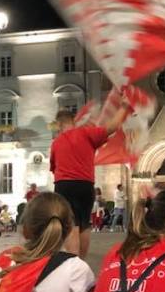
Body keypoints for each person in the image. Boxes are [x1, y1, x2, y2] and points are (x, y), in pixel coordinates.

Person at [50, 103, 129, 258]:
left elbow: (54, 168)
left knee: (71, 223)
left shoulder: (56, 143)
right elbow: (111, 128)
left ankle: (72, 262)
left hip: (64, 185)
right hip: (86, 185)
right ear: (73, 122)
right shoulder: (86, 133)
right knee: (85, 224)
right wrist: (124, 107)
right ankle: (81, 262)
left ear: (59, 124)